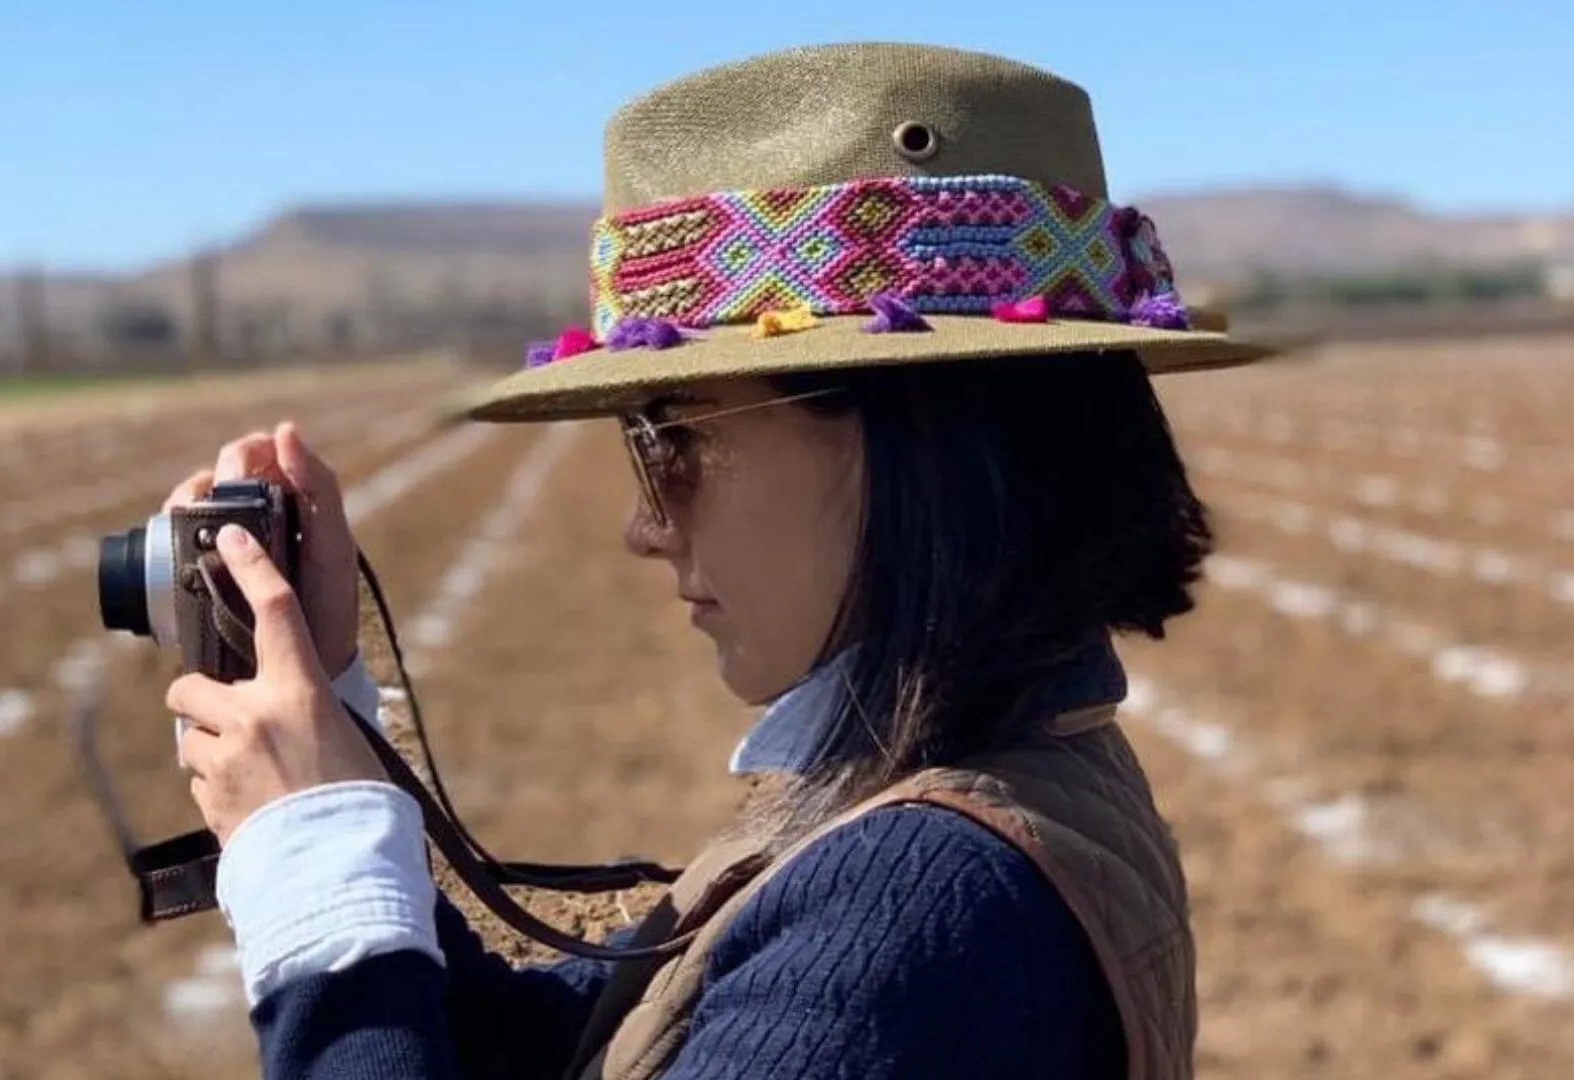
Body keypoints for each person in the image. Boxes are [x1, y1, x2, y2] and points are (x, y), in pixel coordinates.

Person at [161, 42, 1276, 1080]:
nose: (647, 525)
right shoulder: (964, 792)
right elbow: (591, 1044)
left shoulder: (918, 907)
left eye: (674, 436)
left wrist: (320, 887)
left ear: (910, 439)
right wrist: (333, 751)